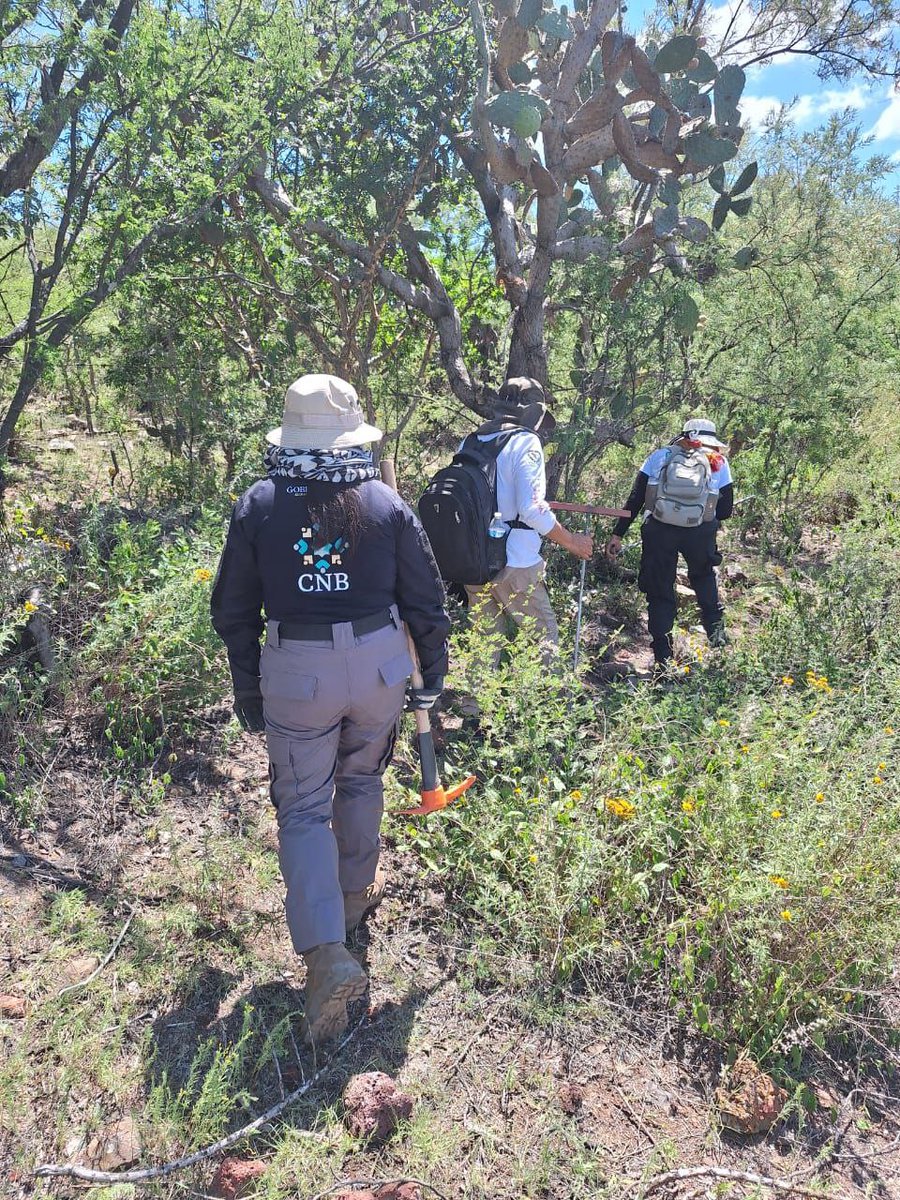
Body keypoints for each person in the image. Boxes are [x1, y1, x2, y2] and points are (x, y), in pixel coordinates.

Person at [211, 374, 449, 1045]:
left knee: (305, 806)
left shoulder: (260, 504)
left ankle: (326, 954)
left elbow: (231, 610)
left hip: (299, 669)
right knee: (365, 779)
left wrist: (249, 686)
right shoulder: (383, 501)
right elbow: (427, 602)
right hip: (378, 666)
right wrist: (431, 674)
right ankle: (349, 902)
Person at [462, 377, 593, 663]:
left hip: (472, 559)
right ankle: (551, 703)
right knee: (544, 637)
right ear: (533, 412)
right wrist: (572, 542)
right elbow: (532, 508)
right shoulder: (525, 442)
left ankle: (473, 706)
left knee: (483, 642)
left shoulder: (471, 441)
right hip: (516, 563)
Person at [605, 417, 733, 667]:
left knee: (659, 591)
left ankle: (663, 660)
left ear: (683, 434)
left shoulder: (659, 456)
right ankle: (718, 646)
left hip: (658, 531)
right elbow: (726, 509)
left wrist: (617, 534)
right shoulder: (718, 462)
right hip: (700, 531)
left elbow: (636, 499)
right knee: (704, 579)